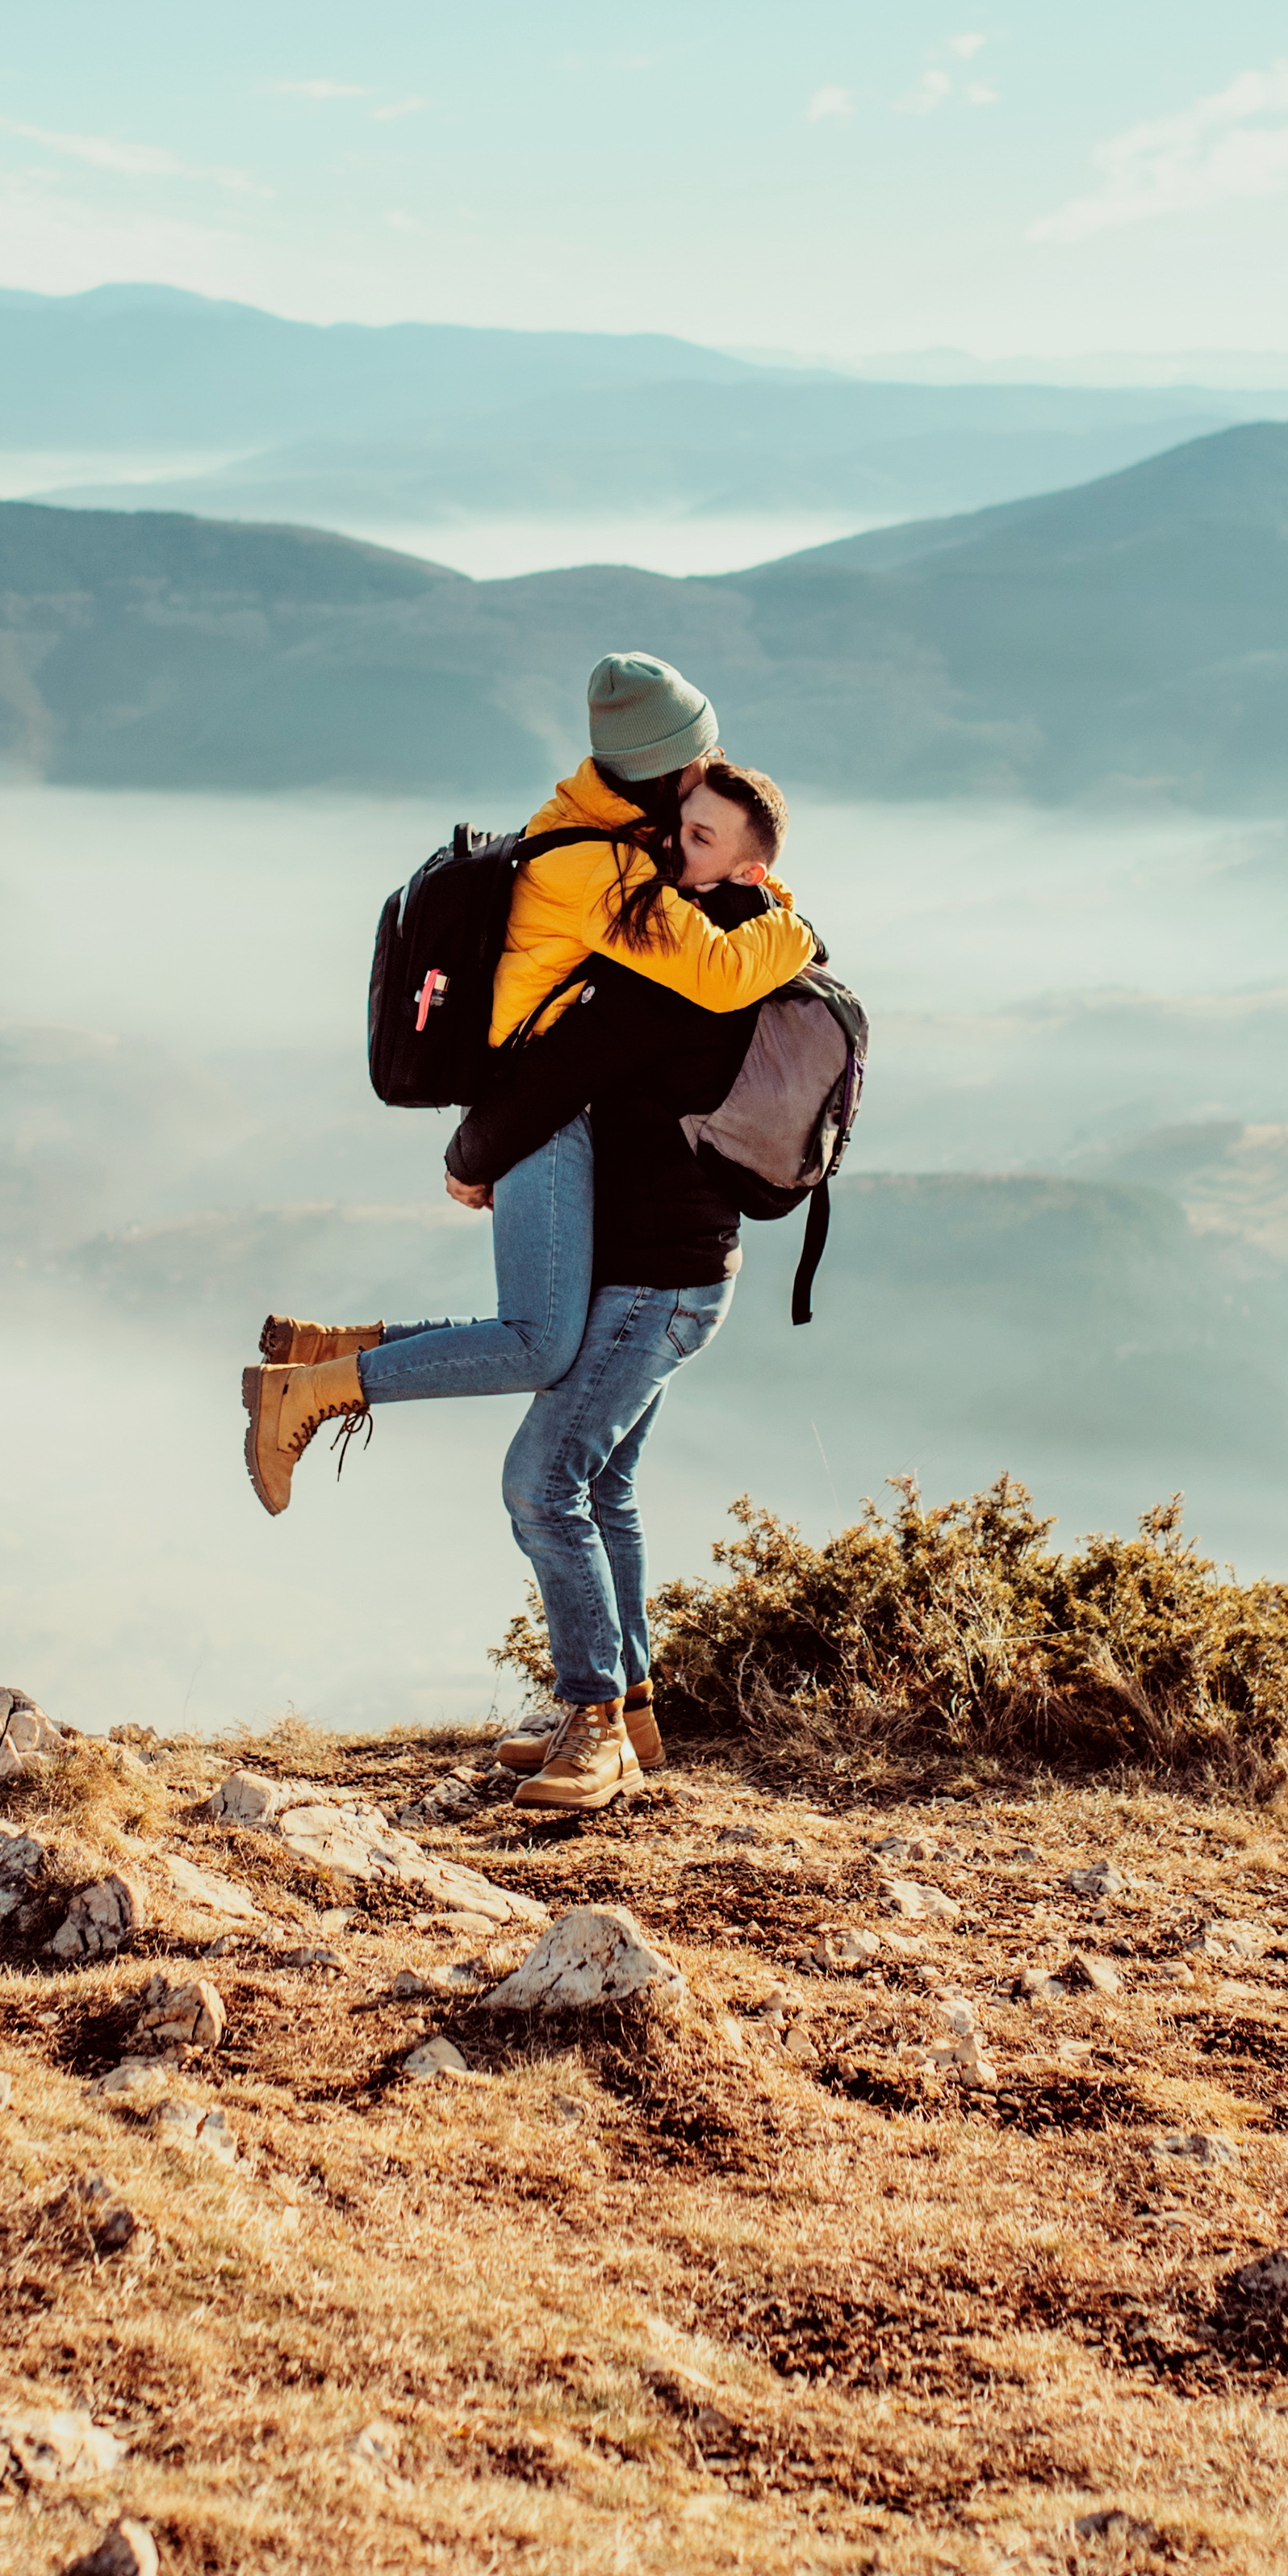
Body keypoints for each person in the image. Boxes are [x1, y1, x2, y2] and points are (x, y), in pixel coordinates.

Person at [239, 653, 810, 1521]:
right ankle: (313, 1390)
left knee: (547, 1347)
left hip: (547, 1112)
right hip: (544, 1117)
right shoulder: (603, 873)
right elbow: (723, 975)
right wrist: (796, 928)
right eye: (700, 756)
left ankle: (329, 1352)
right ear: (662, 767)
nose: (710, 766)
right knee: (540, 1345)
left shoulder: (608, 832)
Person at [443, 760, 797, 1812]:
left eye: (698, 839)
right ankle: (632, 1714)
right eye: (676, 828)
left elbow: (570, 1065)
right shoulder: (734, 940)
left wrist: (473, 1155)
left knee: (540, 1482)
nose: (672, 849)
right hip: (676, 1269)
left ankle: (591, 1723)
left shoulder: (684, 960)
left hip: (661, 1278)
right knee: (605, 1489)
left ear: (751, 863)